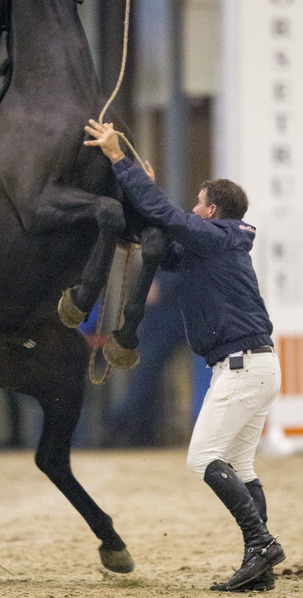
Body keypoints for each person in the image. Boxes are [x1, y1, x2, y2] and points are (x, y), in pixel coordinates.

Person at [84, 119, 285, 593]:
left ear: (212, 210)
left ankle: (261, 543)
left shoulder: (216, 237)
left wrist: (120, 160)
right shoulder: (213, 247)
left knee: (202, 459)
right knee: (241, 467)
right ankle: (261, 566)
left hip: (242, 369)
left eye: (198, 203)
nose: (192, 210)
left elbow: (170, 219)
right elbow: (158, 238)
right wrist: (140, 196)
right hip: (254, 367)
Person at [104, 270, 190, 447]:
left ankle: (114, 425)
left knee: (144, 380)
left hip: (164, 327)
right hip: (154, 326)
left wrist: (162, 286)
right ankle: (143, 434)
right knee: (148, 382)